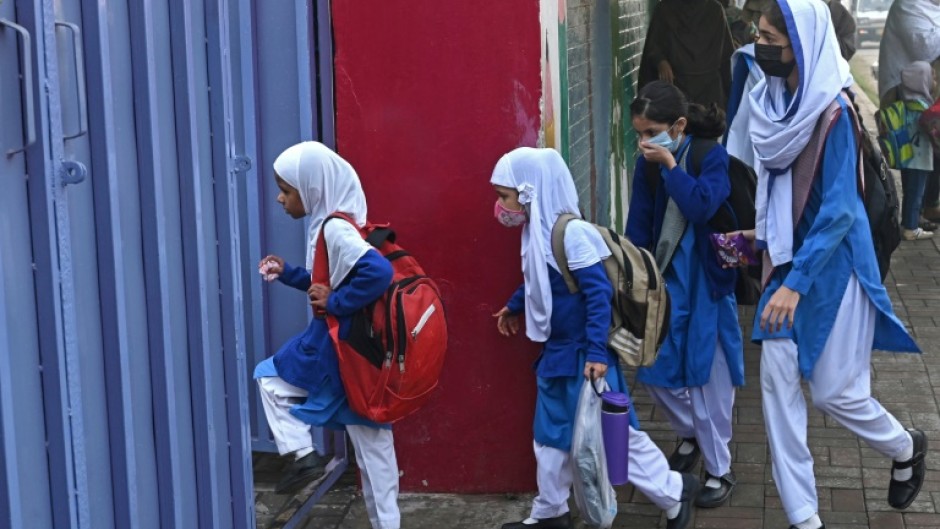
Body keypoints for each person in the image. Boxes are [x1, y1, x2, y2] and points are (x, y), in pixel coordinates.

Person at [740, 2, 926, 528]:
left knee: (835, 394)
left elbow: (841, 208)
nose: (761, 43)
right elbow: (782, 194)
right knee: (776, 384)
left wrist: (794, 284)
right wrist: (762, 239)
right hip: (787, 268)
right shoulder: (773, 101)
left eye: (770, 35)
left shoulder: (834, 112)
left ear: (801, 43)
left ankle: (905, 445)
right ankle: (805, 518)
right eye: (759, 33)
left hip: (835, 269)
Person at [491, 148, 698, 529]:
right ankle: (550, 511)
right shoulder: (536, 231)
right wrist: (515, 305)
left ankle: (673, 494)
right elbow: (539, 279)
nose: (500, 206)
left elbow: (597, 294)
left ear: (528, 190)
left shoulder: (573, 234)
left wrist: (597, 353)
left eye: (504, 196)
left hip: (584, 358)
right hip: (557, 356)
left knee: (616, 437)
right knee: (550, 437)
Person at [254, 142, 401, 529]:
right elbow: (325, 281)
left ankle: (303, 454)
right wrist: (289, 273)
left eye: (287, 189)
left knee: (269, 378)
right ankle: (388, 523)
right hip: (353, 350)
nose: (280, 198)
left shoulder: (335, 229)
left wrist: (336, 302)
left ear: (313, 187)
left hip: (336, 346)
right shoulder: (335, 221)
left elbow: (378, 274)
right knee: (374, 447)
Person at [625, 81, 745, 510]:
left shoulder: (709, 156)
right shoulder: (647, 165)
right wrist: (631, 275)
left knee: (708, 379)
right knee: (654, 373)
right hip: (665, 284)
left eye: (650, 131)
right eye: (637, 133)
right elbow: (638, 227)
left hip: (708, 281)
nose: (643, 142)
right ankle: (694, 435)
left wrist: (673, 167)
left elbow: (700, 207)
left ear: (677, 126)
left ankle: (719, 468)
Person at [638, 0, 735, 110]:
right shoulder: (665, 9)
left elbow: (726, 56)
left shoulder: (715, 10)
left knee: (706, 124)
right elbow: (653, 46)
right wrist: (661, 62)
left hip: (710, 89)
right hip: (676, 86)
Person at [897, 62, 937, 240]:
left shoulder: (907, 103)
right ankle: (911, 228)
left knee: (910, 192)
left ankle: (906, 223)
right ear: (922, 81)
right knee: (916, 193)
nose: (935, 81)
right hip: (919, 159)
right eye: (932, 77)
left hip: (908, 157)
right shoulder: (920, 106)